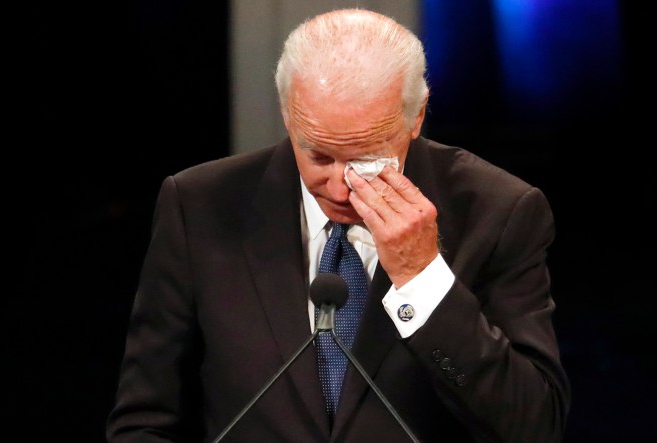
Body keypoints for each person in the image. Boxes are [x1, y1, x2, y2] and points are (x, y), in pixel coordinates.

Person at [106, 8, 570, 442]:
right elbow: (145, 419)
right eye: (320, 156)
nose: (343, 187)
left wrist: (422, 279)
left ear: (417, 117)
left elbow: (534, 424)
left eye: (368, 158)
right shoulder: (199, 205)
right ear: (288, 115)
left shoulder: (500, 211)